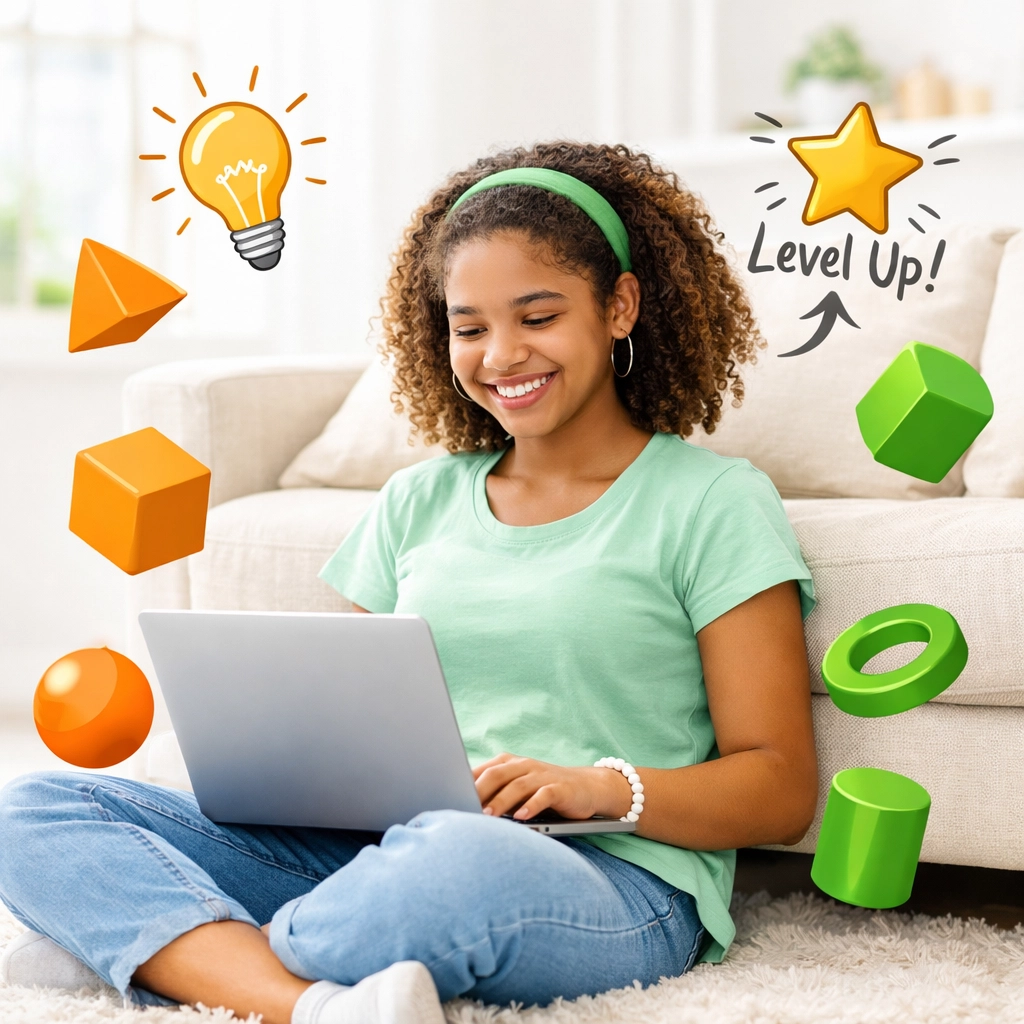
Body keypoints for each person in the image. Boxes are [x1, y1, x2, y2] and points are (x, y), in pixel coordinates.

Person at [0, 142, 818, 1024]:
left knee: (452, 864)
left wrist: (600, 786)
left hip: (607, 875)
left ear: (618, 307)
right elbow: (351, 731)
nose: (501, 356)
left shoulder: (714, 502)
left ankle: (166, 949)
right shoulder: (416, 501)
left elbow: (778, 787)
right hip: (378, 850)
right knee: (37, 809)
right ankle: (310, 1001)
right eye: (469, 328)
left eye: (536, 317)